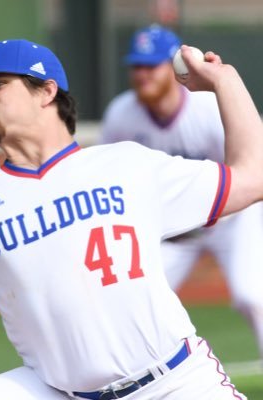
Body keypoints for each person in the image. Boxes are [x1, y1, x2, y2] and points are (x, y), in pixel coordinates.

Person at [0, 37, 263, 400]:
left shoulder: (126, 164)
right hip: (58, 391)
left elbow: (253, 177)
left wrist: (224, 80)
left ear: (47, 91)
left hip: (174, 382)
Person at [100, 24, 263, 361]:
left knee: (254, 295)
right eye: (136, 66)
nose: (142, 74)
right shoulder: (121, 115)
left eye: (151, 65)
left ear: (175, 68)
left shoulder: (207, 109)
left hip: (234, 221)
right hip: (174, 231)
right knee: (125, 298)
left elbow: (249, 166)